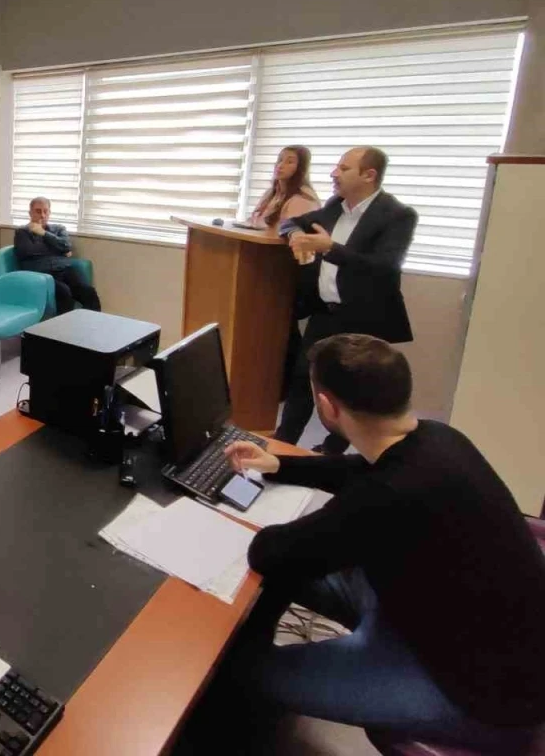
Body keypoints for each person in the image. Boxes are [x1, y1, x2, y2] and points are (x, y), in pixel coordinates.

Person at [197, 335, 545, 752]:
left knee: (244, 669)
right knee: (301, 571)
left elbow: (269, 552)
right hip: (465, 630)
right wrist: (279, 465)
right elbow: (358, 469)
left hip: (480, 699)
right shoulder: (439, 438)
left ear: (326, 406)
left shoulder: (388, 497)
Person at [276, 146, 417, 451]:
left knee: (350, 390)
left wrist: (330, 249)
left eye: (343, 169)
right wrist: (294, 235)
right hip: (325, 312)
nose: (334, 174)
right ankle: (283, 441)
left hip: (363, 317)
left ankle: (331, 451)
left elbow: (385, 268)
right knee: (303, 378)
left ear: (369, 175)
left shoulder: (397, 215)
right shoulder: (334, 207)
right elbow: (291, 223)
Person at [13, 197, 100, 313]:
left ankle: (91, 322)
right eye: (38, 211)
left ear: (49, 212)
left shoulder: (59, 229)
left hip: (65, 269)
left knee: (88, 291)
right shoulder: (22, 232)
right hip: (42, 273)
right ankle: (64, 324)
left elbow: (66, 245)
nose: (42, 215)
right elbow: (28, 251)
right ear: (30, 213)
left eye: (45, 211)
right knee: (64, 293)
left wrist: (44, 233)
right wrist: (59, 249)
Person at [248, 146, 320, 229]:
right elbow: (253, 222)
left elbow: (291, 232)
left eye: (289, 162)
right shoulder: (271, 193)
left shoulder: (303, 199)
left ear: (301, 168)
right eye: (280, 160)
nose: (280, 165)